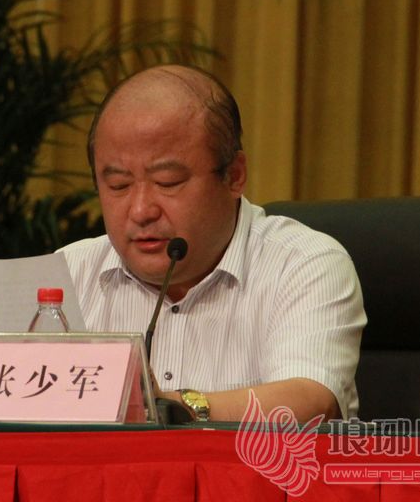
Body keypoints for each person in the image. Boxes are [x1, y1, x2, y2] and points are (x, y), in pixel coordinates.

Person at [58, 64, 367, 423]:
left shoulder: (303, 264)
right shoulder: (68, 275)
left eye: (168, 182)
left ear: (234, 176)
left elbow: (311, 401)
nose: (141, 211)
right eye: (119, 186)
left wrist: (167, 407)